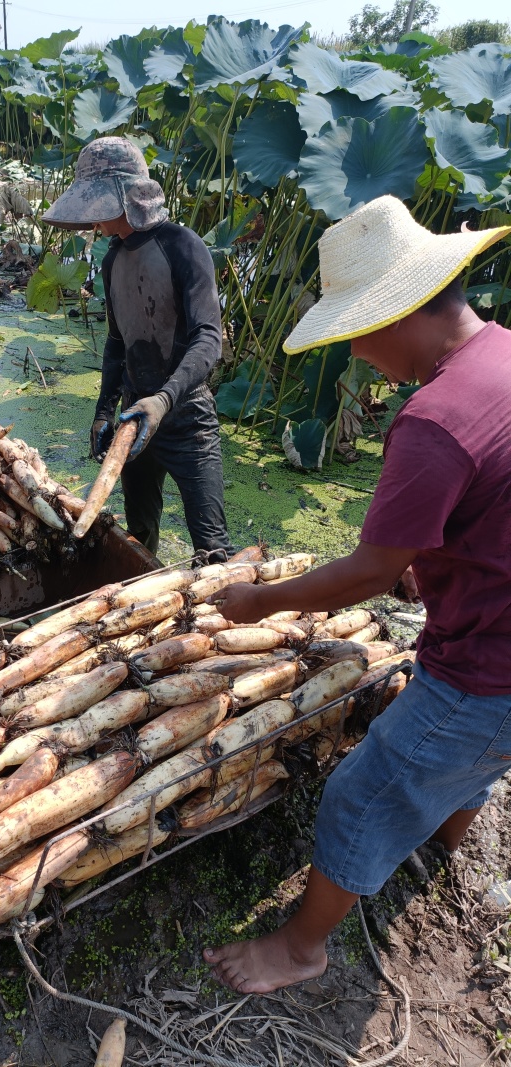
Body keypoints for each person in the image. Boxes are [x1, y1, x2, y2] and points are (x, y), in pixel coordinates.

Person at [202, 194, 511, 994]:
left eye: (357, 333)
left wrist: (257, 603)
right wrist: (438, 556)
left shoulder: (433, 419)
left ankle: (302, 947)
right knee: (469, 766)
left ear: (398, 313)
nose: (359, 354)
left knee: (360, 793)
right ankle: (443, 842)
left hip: (489, 662)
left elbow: (370, 572)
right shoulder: (503, 354)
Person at [42, 137, 235, 563]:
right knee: (139, 531)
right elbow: (117, 342)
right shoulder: (112, 261)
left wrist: (164, 399)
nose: (92, 220)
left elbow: (208, 338)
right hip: (134, 420)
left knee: (212, 544)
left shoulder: (183, 246)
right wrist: (103, 412)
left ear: (127, 196)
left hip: (186, 417)